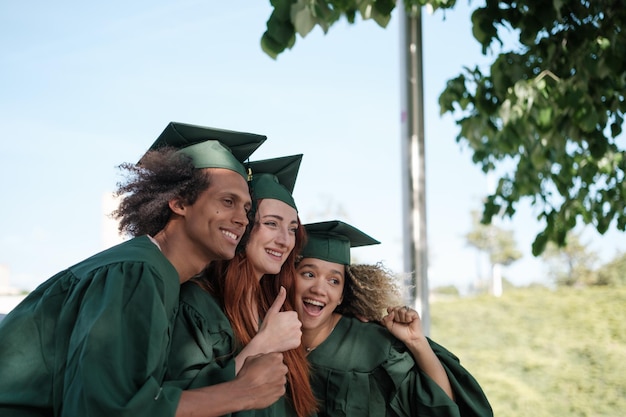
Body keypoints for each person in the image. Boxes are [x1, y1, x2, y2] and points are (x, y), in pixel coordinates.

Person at [0, 122, 290, 417]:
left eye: (246, 209)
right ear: (178, 202)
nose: (242, 219)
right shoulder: (135, 274)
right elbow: (106, 409)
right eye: (227, 202)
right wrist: (240, 392)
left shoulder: (157, 274)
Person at [167, 154, 317, 417]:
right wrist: (262, 345)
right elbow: (182, 405)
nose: (284, 240)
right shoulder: (195, 304)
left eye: (292, 229)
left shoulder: (273, 310)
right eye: (271, 224)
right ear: (242, 225)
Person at [294, 220, 494, 417]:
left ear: (341, 295)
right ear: (288, 277)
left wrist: (416, 341)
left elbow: (440, 407)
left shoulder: (374, 345)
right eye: (309, 274)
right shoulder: (271, 339)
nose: (319, 289)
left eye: (333, 281)